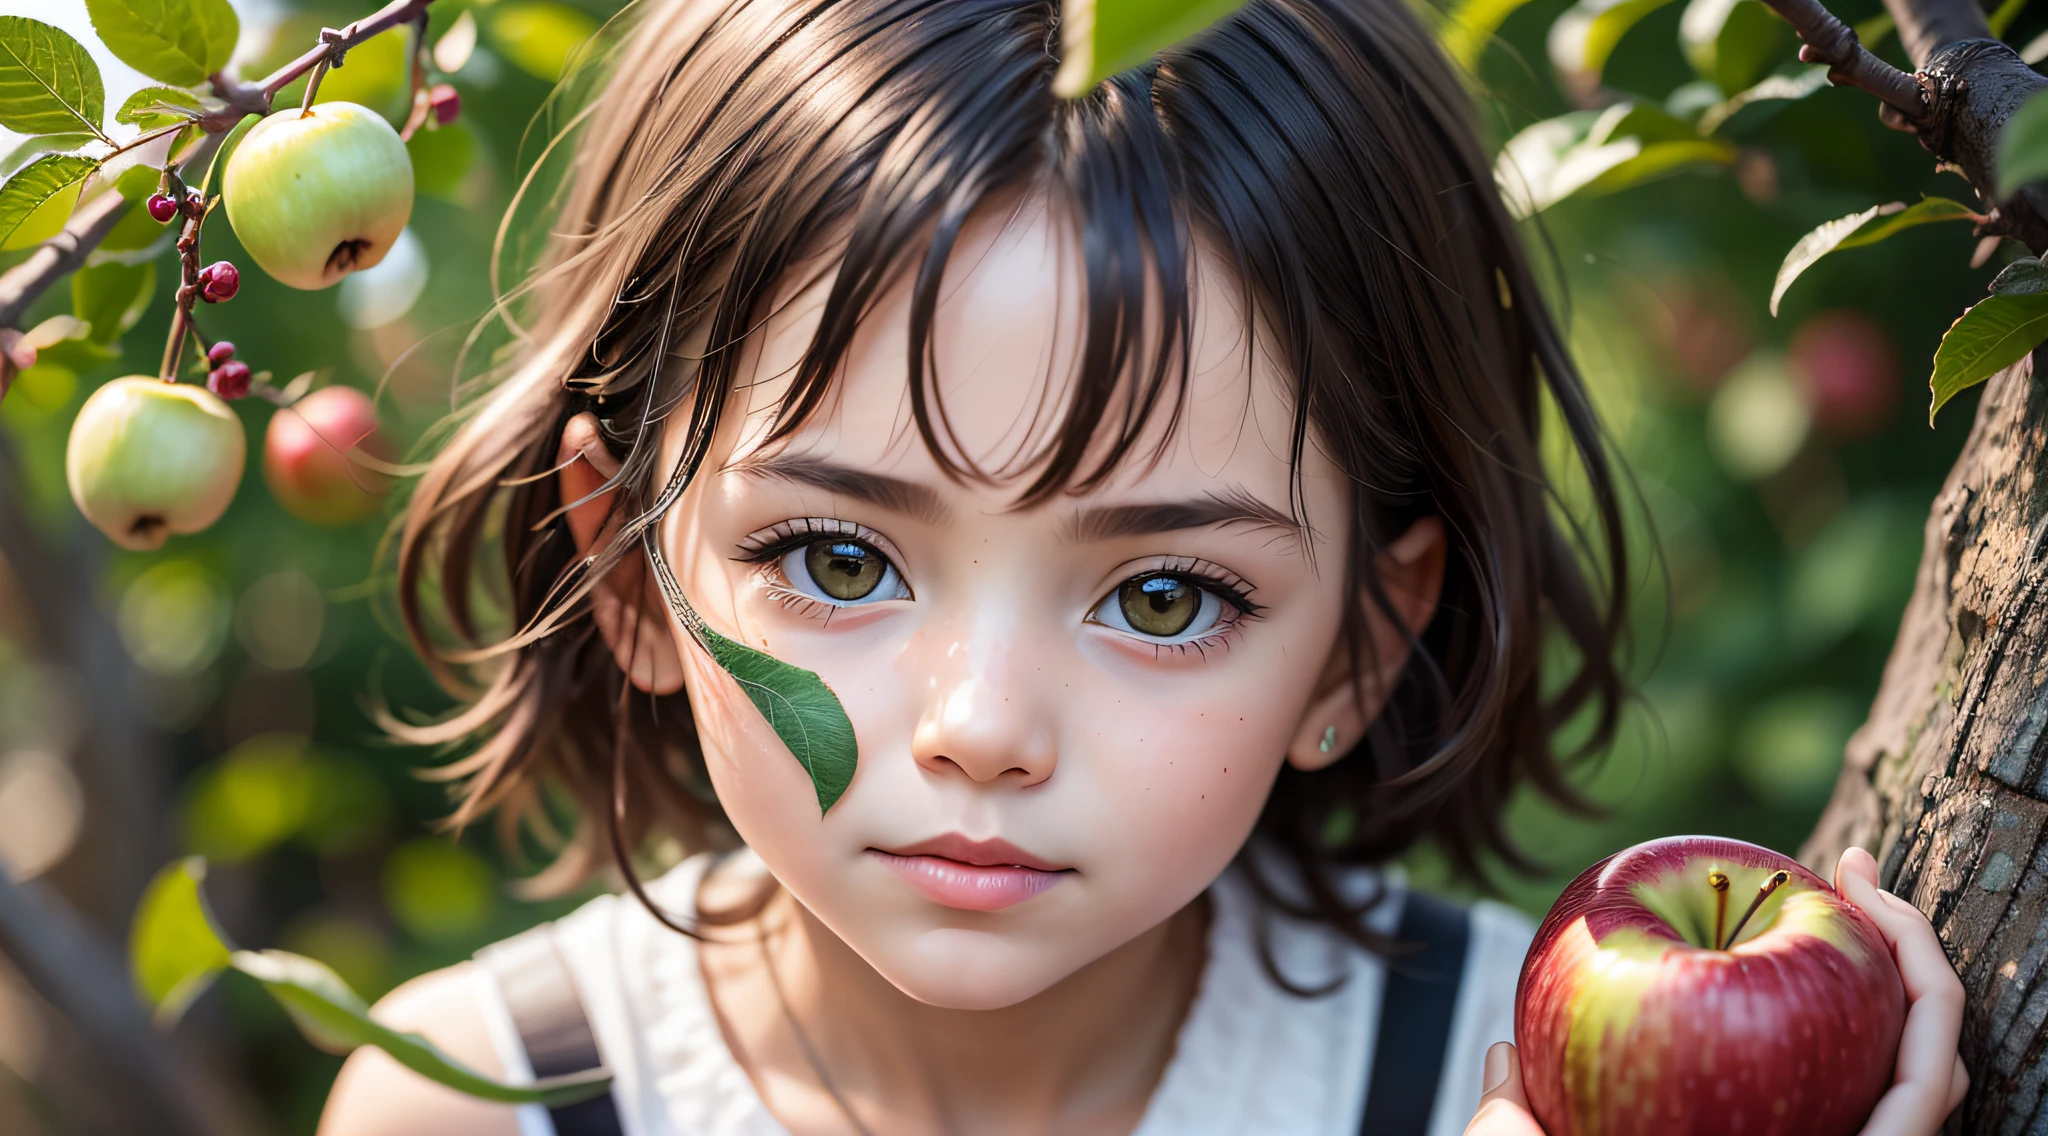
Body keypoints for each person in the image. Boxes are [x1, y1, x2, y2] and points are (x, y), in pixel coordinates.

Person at [317, 0, 1968, 1132]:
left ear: (1358, 647)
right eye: (834, 556)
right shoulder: (482, 1101)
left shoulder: (1511, 1089)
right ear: (627, 569)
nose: (983, 725)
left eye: (1163, 597)